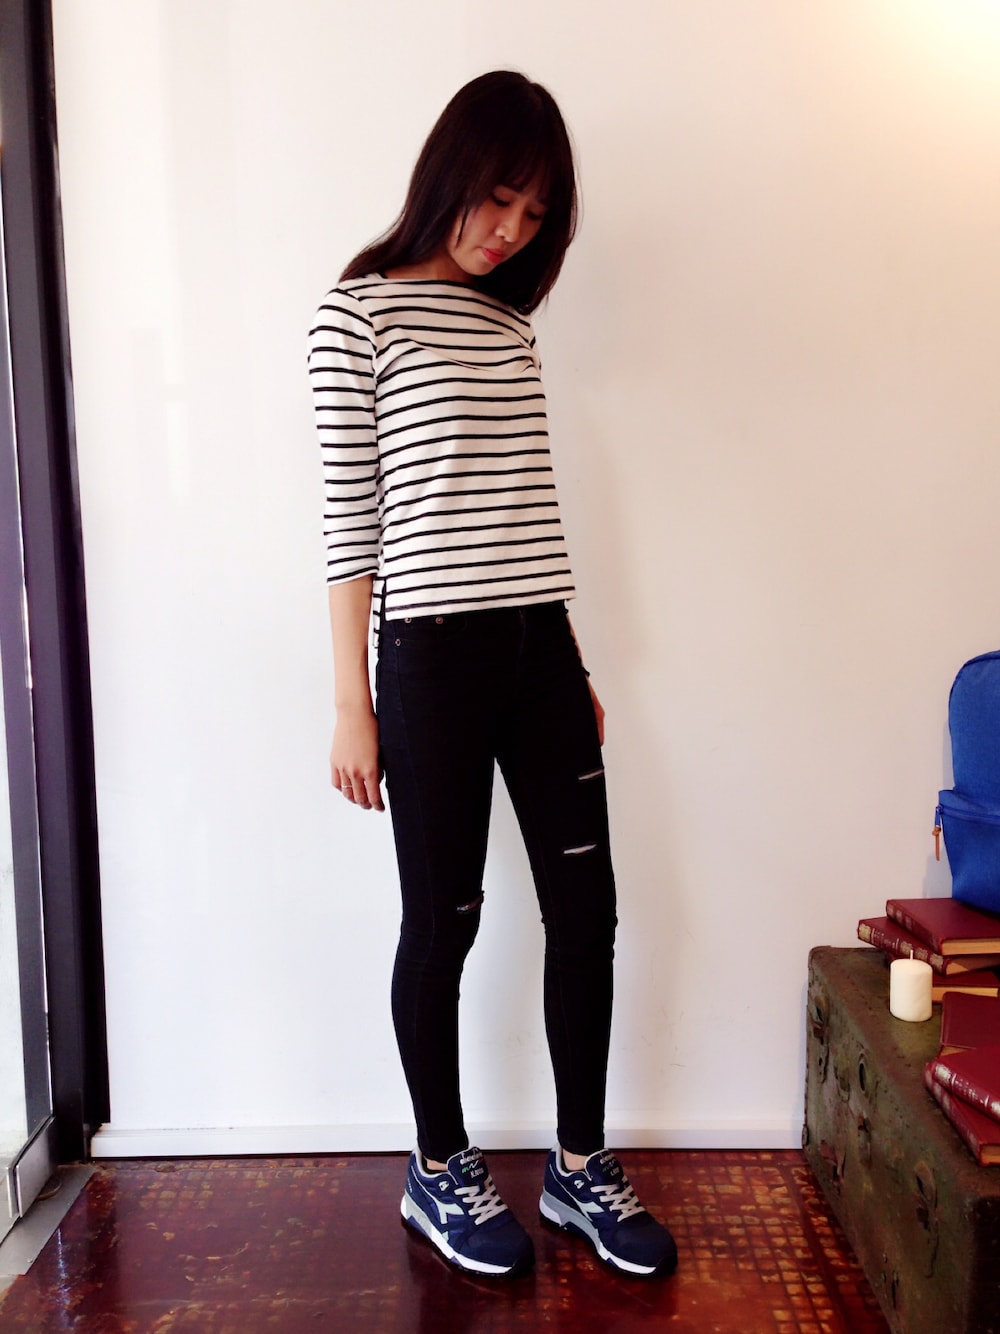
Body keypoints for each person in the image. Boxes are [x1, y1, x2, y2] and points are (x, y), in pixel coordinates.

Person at [309, 69, 677, 1280]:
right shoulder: (355, 315)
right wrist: (352, 702)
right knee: (445, 919)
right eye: (498, 200)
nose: (510, 231)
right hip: (427, 659)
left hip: (538, 648)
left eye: (533, 216)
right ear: (450, 174)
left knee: (588, 911)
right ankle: (438, 1166)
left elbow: (522, 508)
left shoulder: (509, 325)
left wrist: (569, 659)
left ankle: (579, 1166)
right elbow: (350, 523)